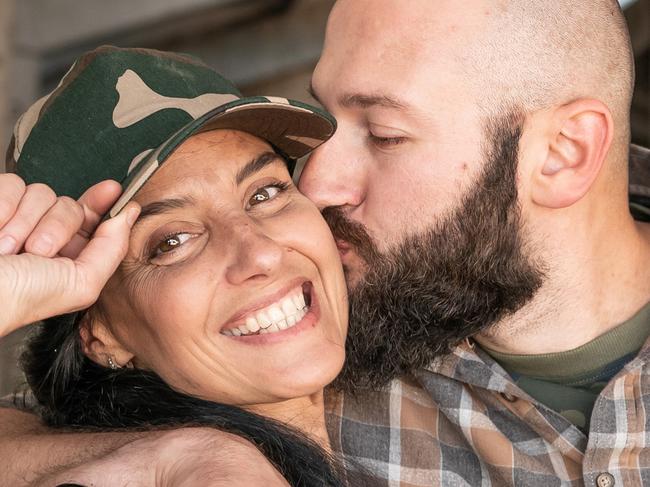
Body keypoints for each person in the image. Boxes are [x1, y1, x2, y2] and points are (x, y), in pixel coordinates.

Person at [1, 0, 650, 485]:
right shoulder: (321, 355)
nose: (317, 180)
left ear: (563, 154)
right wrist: (179, 458)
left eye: (386, 133)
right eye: (172, 239)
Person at [1, 46, 352, 487]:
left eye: (264, 194)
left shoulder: (420, 356)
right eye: (173, 241)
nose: (260, 253)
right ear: (100, 335)